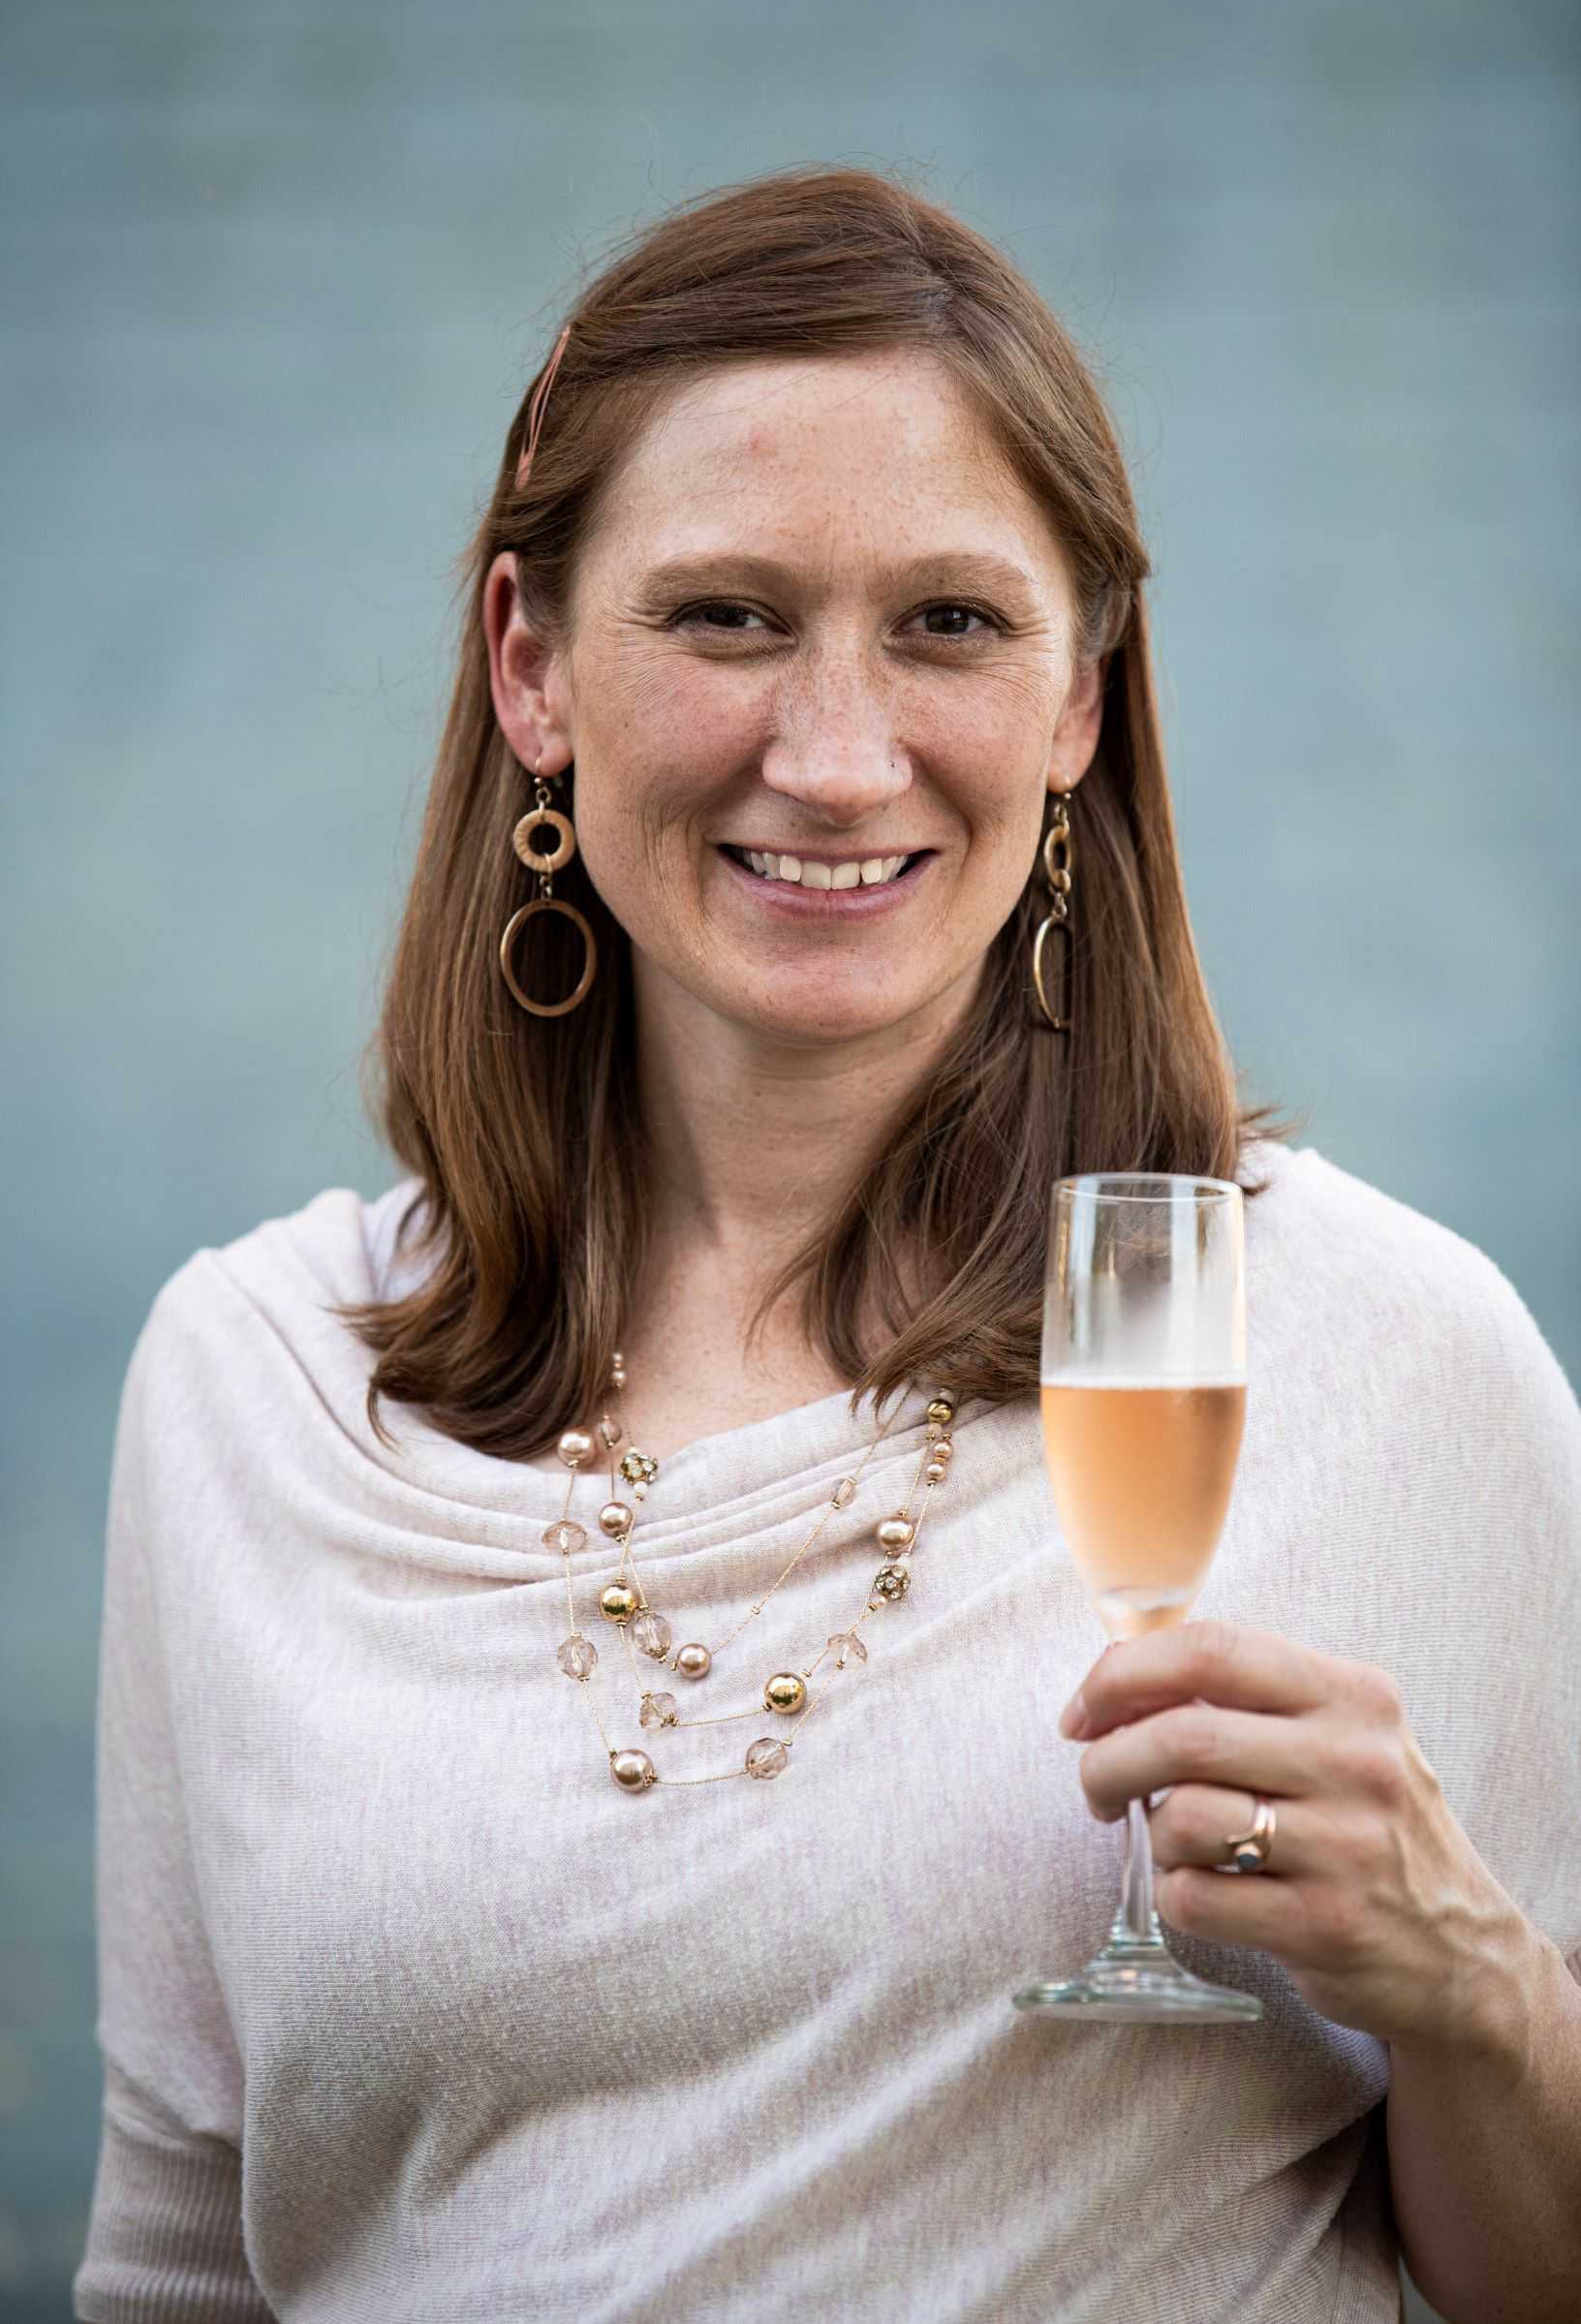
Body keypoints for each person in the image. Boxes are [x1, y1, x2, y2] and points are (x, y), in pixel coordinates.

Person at [74, 166, 1580, 2324]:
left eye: (950, 623)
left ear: (1078, 700)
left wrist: (1478, 1993)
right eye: (728, 616)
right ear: (534, 666)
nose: (840, 753)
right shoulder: (254, 1377)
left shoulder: (1391, 1354)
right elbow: (178, 2252)